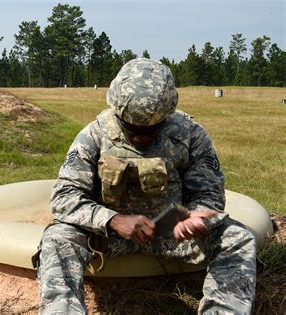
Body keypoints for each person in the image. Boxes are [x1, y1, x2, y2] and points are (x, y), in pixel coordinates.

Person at [37, 58, 257, 314]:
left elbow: (208, 191)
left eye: (152, 130)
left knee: (238, 238)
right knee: (57, 238)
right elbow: (65, 196)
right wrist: (113, 219)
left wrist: (196, 216)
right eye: (131, 129)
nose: (141, 137)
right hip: (108, 237)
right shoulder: (94, 135)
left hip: (173, 236)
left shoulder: (190, 135)